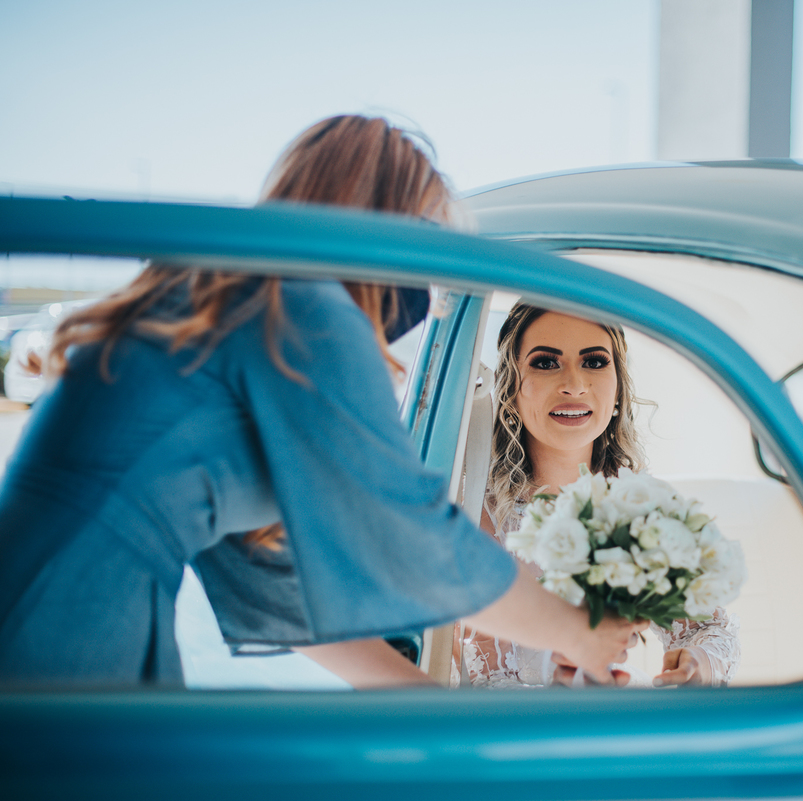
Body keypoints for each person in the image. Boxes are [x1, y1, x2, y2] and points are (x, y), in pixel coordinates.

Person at [0, 115, 643, 688]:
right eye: (424, 243)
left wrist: (435, 713)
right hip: (68, 630)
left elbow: (275, 588)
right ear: (381, 225)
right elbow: (406, 535)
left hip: (51, 608)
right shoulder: (303, 307)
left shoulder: (234, 307)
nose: (424, 284)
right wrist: (577, 631)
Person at [459, 302, 740, 688]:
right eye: (546, 363)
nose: (574, 384)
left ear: (618, 387)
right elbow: (487, 680)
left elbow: (710, 629)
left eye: (593, 362)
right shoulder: (472, 509)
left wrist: (696, 663)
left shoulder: (639, 508)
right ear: (511, 388)